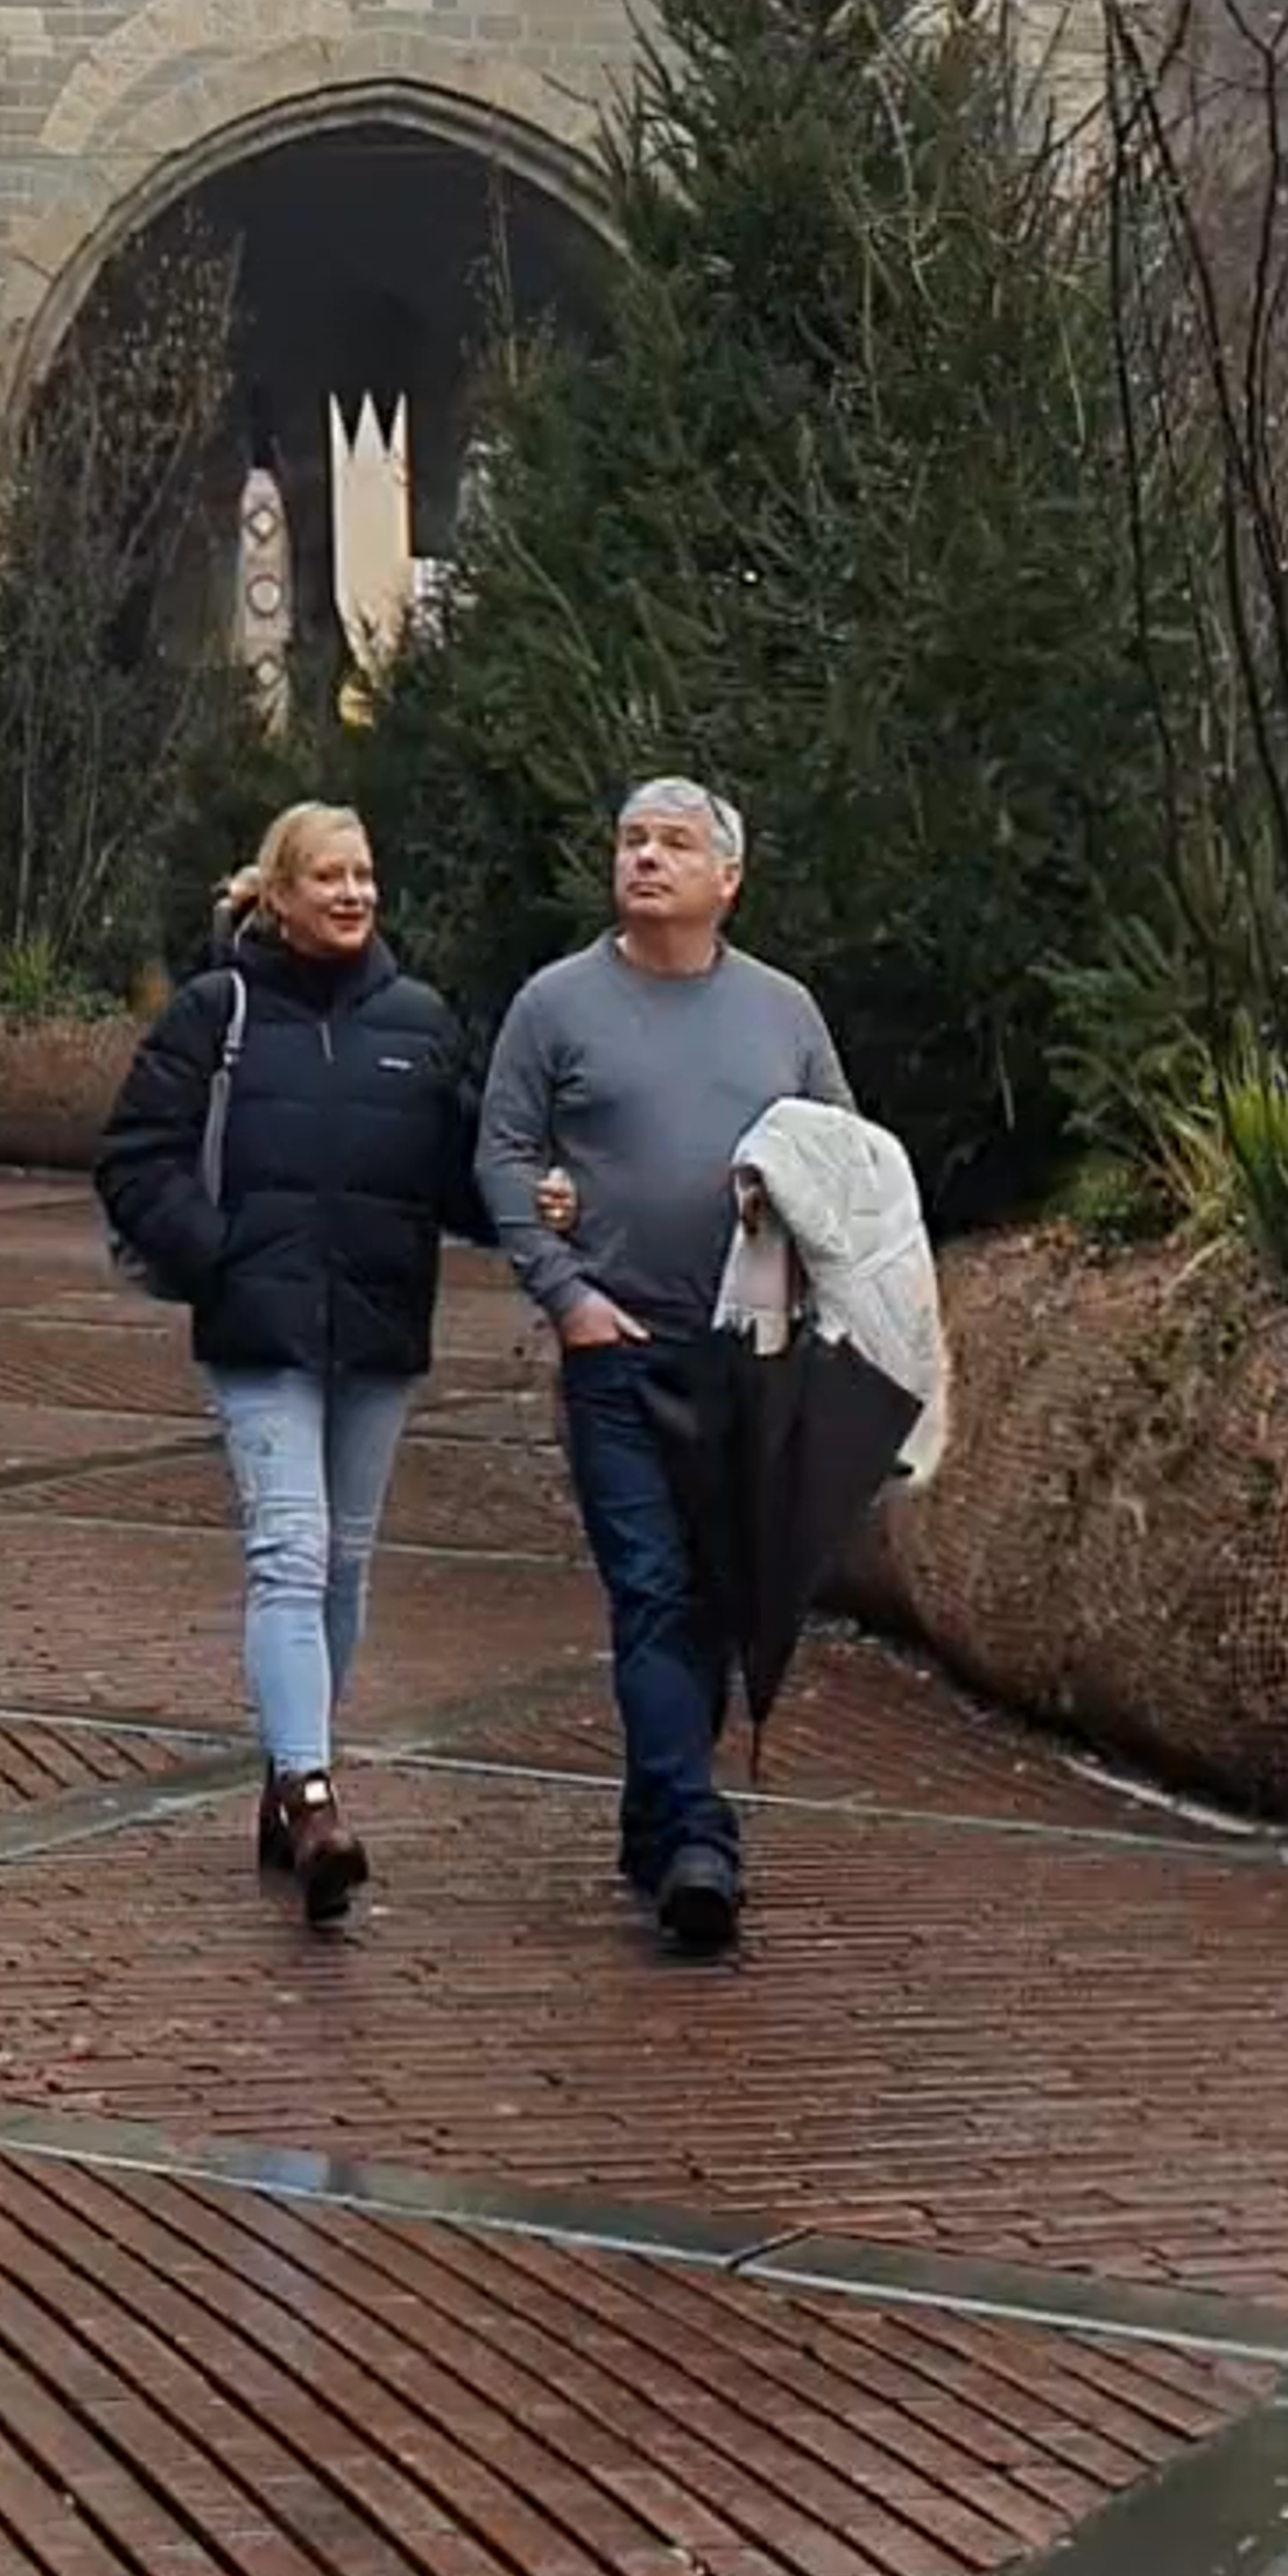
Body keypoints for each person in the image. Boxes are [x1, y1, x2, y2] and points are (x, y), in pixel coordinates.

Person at [475, 775, 851, 1958]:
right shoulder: (556, 1003)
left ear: (727, 878)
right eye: (632, 839)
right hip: (618, 1353)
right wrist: (566, 1292)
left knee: (719, 1598)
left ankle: (654, 1819)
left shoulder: (783, 1011)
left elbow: (845, 1158)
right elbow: (502, 1151)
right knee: (649, 1588)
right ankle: (697, 1836)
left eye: (675, 843)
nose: (645, 857)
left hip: (746, 1358)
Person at [94, 801, 477, 1928]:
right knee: (290, 1549)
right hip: (261, 1330)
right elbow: (136, 1156)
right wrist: (217, 1255)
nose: (352, 893)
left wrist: (545, 1195)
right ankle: (312, 1794)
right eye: (327, 876)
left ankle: (287, 1772)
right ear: (277, 892)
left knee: (344, 1564)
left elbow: (461, 1175)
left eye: (364, 873)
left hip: (377, 1331)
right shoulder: (217, 1010)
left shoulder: (419, 1021)